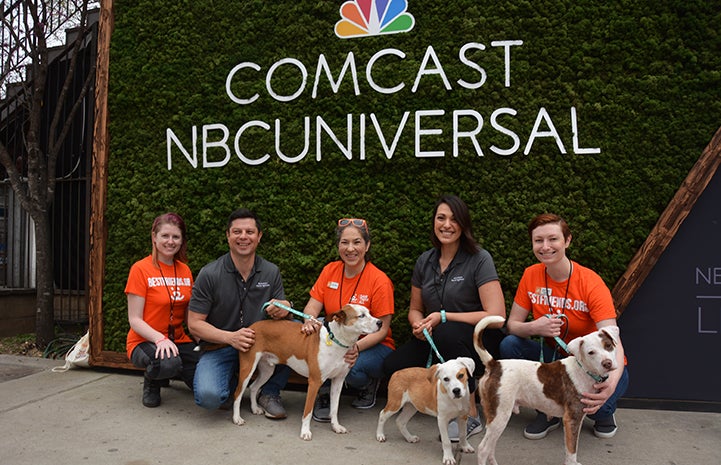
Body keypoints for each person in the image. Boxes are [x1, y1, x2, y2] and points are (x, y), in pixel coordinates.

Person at [382, 194, 506, 441]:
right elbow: (415, 309)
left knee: (449, 333)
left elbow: (497, 315)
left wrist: (444, 316)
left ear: (463, 224)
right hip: (434, 336)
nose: (446, 225)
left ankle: (470, 415)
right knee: (391, 367)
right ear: (434, 222)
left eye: (453, 219)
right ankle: (437, 403)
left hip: (478, 340)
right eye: (441, 218)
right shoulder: (425, 260)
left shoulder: (480, 259)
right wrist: (417, 323)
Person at [500, 213, 629, 439]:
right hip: (556, 362)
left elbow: (614, 342)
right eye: (538, 240)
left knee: (599, 409)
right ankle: (546, 410)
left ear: (567, 241)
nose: (545, 246)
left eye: (553, 239)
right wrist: (535, 328)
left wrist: (609, 387)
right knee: (511, 345)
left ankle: (605, 411)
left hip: (592, 363)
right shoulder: (531, 274)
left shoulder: (591, 282)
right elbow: (512, 326)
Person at [187, 208, 293, 418]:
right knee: (209, 397)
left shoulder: (271, 271)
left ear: (259, 236)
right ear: (228, 236)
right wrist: (231, 337)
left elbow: (286, 314)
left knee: (296, 329)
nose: (243, 237)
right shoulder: (209, 274)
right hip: (221, 346)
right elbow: (194, 324)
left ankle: (269, 392)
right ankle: (232, 384)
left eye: (249, 232)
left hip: (262, 347)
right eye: (237, 232)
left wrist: (284, 307)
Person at [300, 218, 395, 421]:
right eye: (344, 242)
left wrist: (356, 348)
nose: (350, 249)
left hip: (373, 344)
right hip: (336, 339)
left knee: (352, 368)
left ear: (367, 245)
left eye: (357, 242)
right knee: (302, 340)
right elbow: (312, 306)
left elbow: (383, 329)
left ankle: (368, 384)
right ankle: (323, 393)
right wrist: (309, 320)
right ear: (338, 246)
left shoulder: (379, 281)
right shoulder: (330, 270)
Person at [125, 212, 200, 408]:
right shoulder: (140, 269)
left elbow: (188, 315)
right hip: (145, 341)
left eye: (176, 237)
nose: (170, 241)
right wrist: (160, 339)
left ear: (182, 240)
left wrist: (202, 338)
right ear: (154, 237)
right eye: (165, 236)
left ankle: (175, 370)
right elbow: (134, 319)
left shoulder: (185, 270)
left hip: (179, 340)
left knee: (207, 375)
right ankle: (153, 381)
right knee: (167, 362)